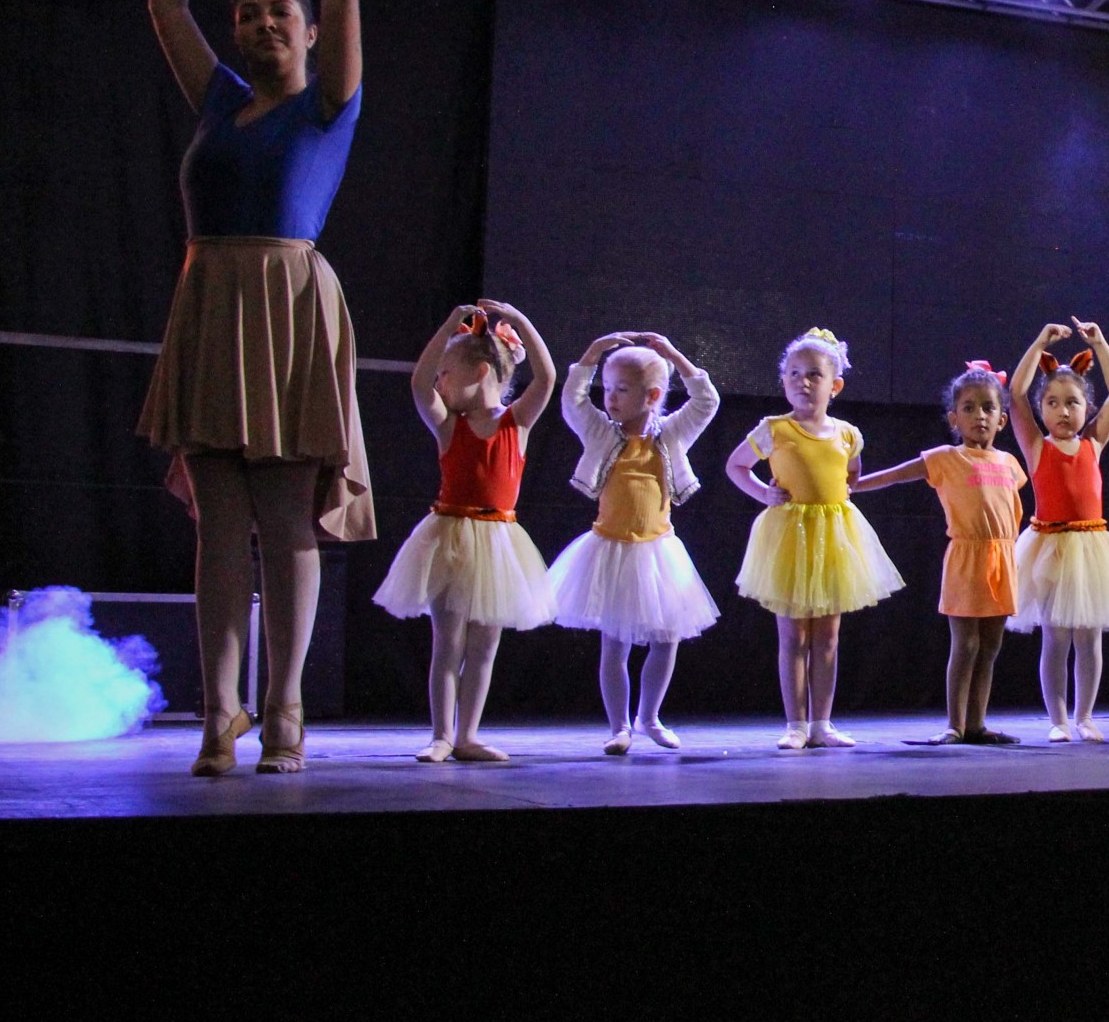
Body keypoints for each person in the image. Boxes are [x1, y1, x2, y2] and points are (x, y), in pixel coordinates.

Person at [140, 0, 373, 777]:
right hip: (210, 301)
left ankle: (285, 712)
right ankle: (218, 714)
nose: (264, 22)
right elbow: (166, 3)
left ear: (311, 33)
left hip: (286, 306)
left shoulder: (329, 104)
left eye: (281, 11)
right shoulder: (218, 102)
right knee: (216, 529)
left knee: (284, 524)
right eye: (248, 13)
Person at [374, 303, 557, 761]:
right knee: (448, 643)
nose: (439, 383)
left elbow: (547, 377)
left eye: (446, 374)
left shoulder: (517, 423)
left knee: (484, 647)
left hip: (498, 541)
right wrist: (447, 324)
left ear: (480, 372)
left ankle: (468, 735)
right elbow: (419, 383)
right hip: (450, 537)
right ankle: (441, 734)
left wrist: (522, 320)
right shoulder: (447, 425)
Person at [727, 328, 904, 750]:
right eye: (793, 373)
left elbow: (852, 473)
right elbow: (736, 466)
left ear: (834, 386)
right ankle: (795, 724)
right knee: (793, 636)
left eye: (813, 374)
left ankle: (822, 723)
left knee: (827, 637)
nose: (802, 382)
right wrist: (764, 494)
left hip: (834, 537)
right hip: (790, 536)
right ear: (783, 381)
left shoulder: (847, 433)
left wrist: (843, 491)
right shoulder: (775, 429)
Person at [551, 332, 722, 753]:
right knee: (615, 642)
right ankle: (619, 727)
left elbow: (706, 402)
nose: (610, 398)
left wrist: (675, 355)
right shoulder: (600, 432)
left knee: (666, 639)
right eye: (607, 388)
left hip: (658, 550)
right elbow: (573, 400)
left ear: (652, 396)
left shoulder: (672, 434)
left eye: (621, 390)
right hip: (611, 550)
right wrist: (592, 353)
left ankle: (649, 717)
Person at [852, 361, 1027, 746]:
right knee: (966, 644)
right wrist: (855, 485)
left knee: (990, 646)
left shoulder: (1011, 464)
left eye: (988, 408)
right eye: (969, 408)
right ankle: (955, 724)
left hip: (1003, 559)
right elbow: (898, 474)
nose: (980, 415)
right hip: (967, 558)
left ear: (1002, 420)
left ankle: (977, 724)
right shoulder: (947, 457)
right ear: (954, 418)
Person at [1004, 320, 1109, 743]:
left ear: (1087, 408)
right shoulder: (1037, 446)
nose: (1062, 411)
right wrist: (1039, 341)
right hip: (1049, 549)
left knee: (1089, 638)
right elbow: (1015, 394)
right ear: (1041, 409)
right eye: (1052, 403)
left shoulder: (1093, 443)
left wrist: (1101, 344)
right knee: (1055, 638)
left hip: (1091, 548)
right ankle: (1058, 720)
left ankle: (1085, 716)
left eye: (1072, 403)